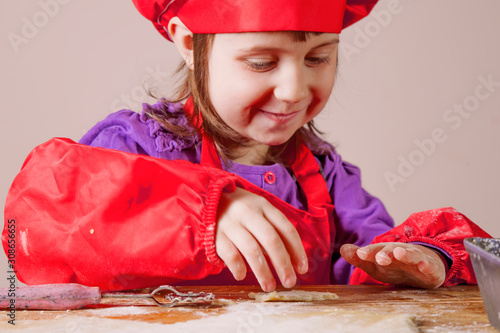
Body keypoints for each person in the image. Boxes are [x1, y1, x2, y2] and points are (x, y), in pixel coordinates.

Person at [2, 0, 490, 292]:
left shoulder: (325, 177)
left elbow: (372, 262)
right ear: (189, 44)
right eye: (261, 62)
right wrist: (204, 211)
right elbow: (38, 222)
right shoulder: (131, 147)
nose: (295, 90)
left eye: (318, 56)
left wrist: (415, 264)